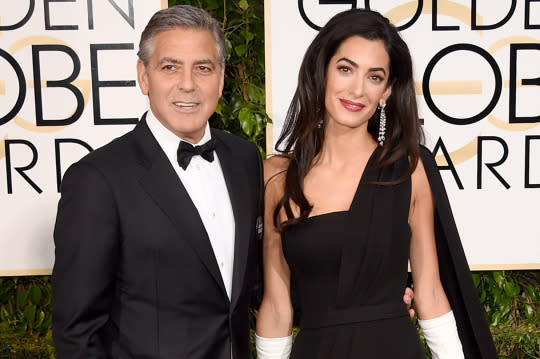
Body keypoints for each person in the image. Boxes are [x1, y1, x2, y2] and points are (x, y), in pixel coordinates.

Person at [255, 8, 497, 359]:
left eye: (374, 77)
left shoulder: (409, 170)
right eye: (345, 69)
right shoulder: (277, 177)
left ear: (386, 91)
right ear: (321, 71)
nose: (357, 89)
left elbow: (429, 292)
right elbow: (276, 307)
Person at [52, 5, 264, 359]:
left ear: (222, 77)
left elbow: (255, 286)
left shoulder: (245, 159)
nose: (187, 84)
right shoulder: (97, 180)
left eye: (203, 68)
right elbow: (76, 333)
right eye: (170, 67)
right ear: (144, 75)